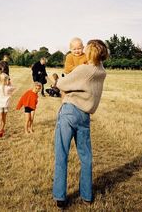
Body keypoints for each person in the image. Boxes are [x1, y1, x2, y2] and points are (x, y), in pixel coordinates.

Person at [53, 39, 108, 209]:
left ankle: (60, 197)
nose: (82, 50)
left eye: (86, 48)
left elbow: (61, 84)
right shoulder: (101, 71)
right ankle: (86, 195)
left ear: (90, 52)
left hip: (70, 111)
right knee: (86, 158)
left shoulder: (84, 69)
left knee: (61, 154)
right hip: (84, 116)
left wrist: (61, 81)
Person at [0, 73, 16, 138]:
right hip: (5, 104)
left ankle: (0, 130)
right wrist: (10, 82)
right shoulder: (8, 88)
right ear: (7, 80)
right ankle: (2, 128)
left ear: (0, 80)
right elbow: (14, 88)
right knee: (4, 117)